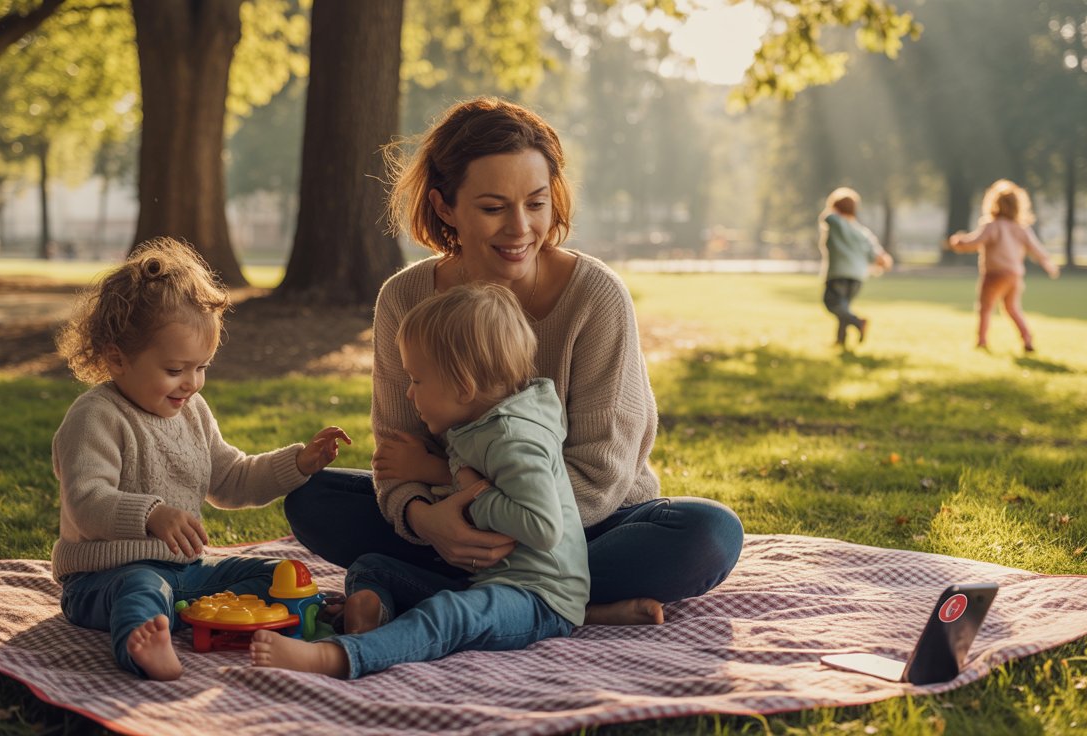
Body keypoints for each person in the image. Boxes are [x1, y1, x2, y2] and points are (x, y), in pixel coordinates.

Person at [283, 96, 743, 626]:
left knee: (709, 534)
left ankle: (451, 590)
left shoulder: (595, 298)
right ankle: (564, 606)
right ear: (444, 206)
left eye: (536, 203)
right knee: (313, 497)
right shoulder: (404, 299)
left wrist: (468, 501)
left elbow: (601, 475)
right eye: (493, 207)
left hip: (586, 526)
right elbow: (395, 453)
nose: (520, 227)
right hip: (447, 523)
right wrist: (426, 520)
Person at [51, 237, 352, 680]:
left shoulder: (191, 410)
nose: (192, 383)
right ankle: (143, 648)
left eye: (202, 366)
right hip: (103, 578)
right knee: (141, 589)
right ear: (117, 359)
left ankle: (311, 619)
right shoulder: (96, 417)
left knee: (278, 575)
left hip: (186, 573)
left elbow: (231, 477)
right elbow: (87, 502)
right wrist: (152, 516)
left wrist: (299, 464)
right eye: (175, 370)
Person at [251, 283, 587, 677]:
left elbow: (543, 527)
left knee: (450, 615)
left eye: (417, 380)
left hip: (538, 598)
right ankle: (373, 616)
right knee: (371, 567)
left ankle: (342, 655)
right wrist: (439, 479)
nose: (409, 394)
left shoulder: (513, 438)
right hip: (484, 579)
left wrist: (464, 485)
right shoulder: (479, 423)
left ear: (463, 386)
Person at [948, 179, 1060, 352]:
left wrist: (959, 242)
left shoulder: (992, 226)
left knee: (985, 308)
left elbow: (975, 242)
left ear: (993, 203)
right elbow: (1036, 249)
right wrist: (1048, 263)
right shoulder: (1020, 228)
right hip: (1014, 275)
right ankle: (1027, 338)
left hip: (994, 274)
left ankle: (982, 341)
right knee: (1012, 308)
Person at [817, 187, 893, 348]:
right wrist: (884, 261)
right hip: (857, 277)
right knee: (844, 308)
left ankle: (858, 322)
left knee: (831, 303)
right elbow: (876, 254)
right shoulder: (862, 232)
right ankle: (840, 341)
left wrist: (834, 209)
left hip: (839, 273)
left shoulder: (838, 223)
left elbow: (828, 218)